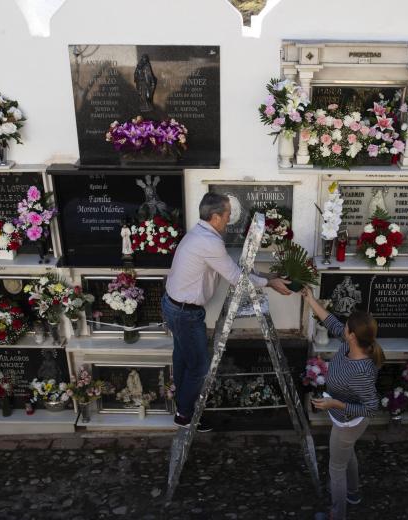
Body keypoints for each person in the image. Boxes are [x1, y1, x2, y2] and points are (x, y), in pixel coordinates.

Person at [162, 192, 292, 432]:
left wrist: (268, 277)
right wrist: (270, 284)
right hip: (184, 313)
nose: (229, 219)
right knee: (199, 366)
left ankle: (182, 406)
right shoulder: (209, 242)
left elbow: (233, 269)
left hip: (174, 305)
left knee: (182, 358)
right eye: (227, 215)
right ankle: (184, 415)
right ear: (215, 217)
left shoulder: (200, 233)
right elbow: (235, 278)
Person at [301, 287, 383, 520]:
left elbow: (370, 407)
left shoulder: (362, 371)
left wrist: (335, 404)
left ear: (353, 336)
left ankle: (337, 514)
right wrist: (311, 300)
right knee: (347, 455)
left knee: (336, 468)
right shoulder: (350, 345)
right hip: (344, 419)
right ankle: (353, 493)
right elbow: (332, 323)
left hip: (349, 422)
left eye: (347, 327)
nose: (343, 328)